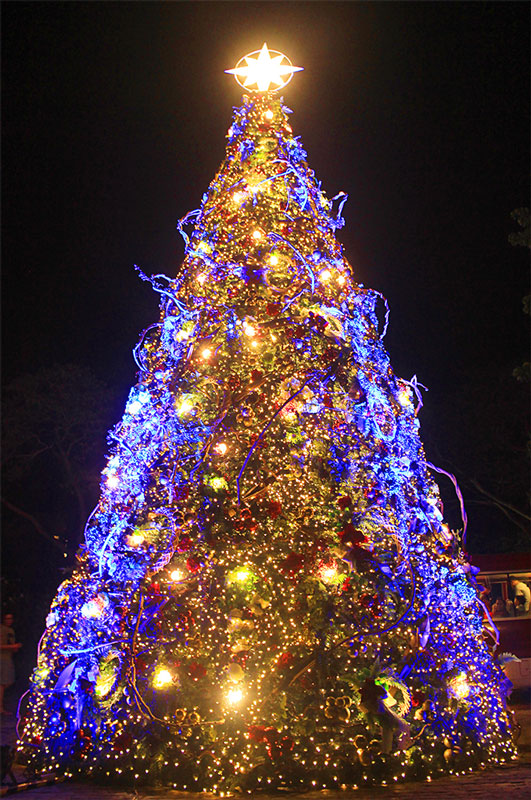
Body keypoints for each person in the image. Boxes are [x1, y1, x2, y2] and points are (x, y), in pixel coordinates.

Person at [0, 613, 21, 714]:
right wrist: (12, 647)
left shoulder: (10, 631)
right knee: (2, 684)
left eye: (11, 618)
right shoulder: (1, 629)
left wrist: (14, 648)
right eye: (7, 618)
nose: (9, 620)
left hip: (8, 658)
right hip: (2, 658)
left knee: (7, 681)